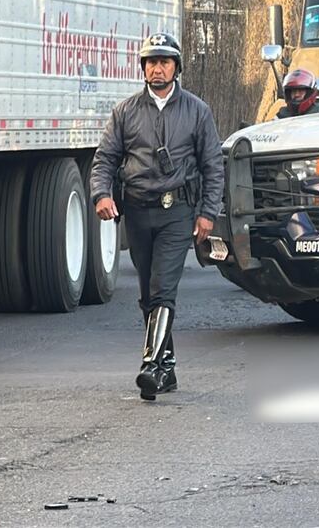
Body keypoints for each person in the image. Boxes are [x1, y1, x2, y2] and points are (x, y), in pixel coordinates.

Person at [89, 32, 224, 399]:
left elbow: (213, 165)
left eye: (164, 62)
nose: (157, 68)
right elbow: (105, 160)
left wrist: (207, 213)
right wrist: (101, 194)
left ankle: (150, 364)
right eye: (151, 62)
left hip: (177, 211)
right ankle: (168, 370)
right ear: (143, 69)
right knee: (148, 293)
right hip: (136, 210)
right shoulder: (125, 111)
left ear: (176, 68)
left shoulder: (197, 110)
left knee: (164, 287)